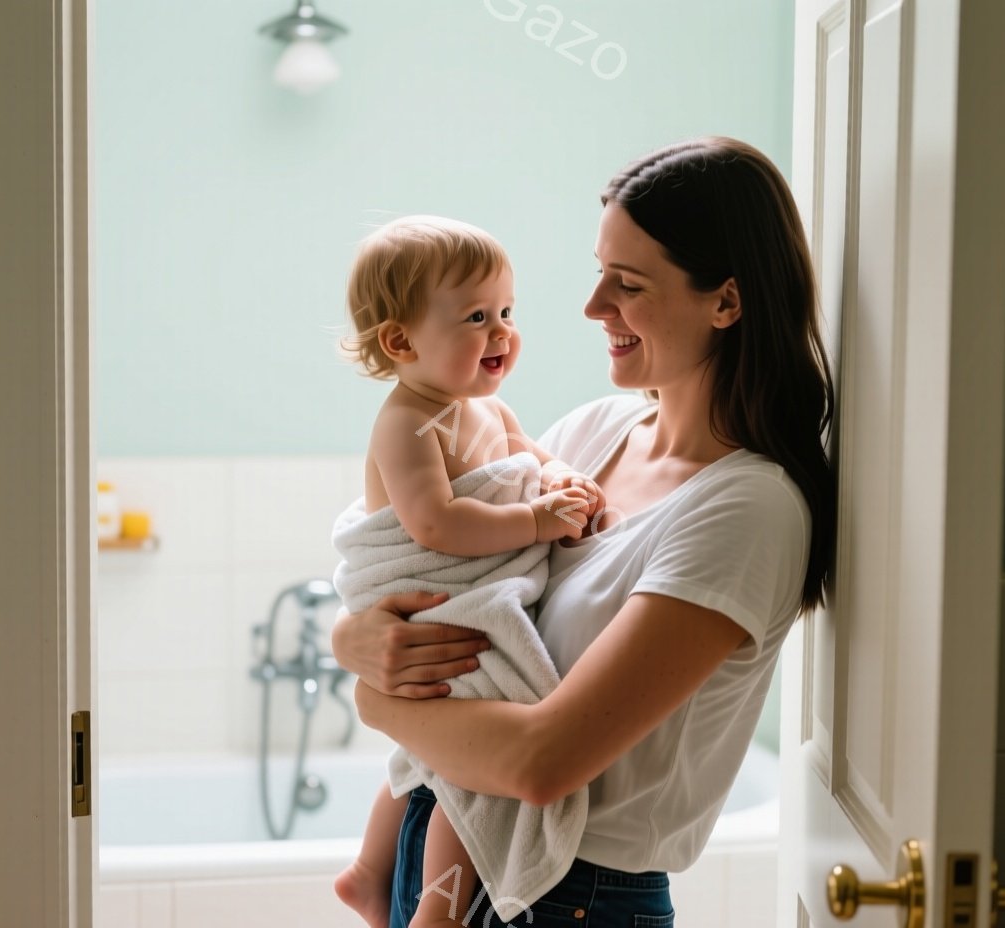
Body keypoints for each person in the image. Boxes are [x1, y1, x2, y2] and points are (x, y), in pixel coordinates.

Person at [332, 136, 839, 927]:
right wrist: (353, 640)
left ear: (727, 302)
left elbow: (544, 764)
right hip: (448, 837)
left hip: (575, 898)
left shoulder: (748, 510)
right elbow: (446, 569)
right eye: (599, 270)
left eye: (627, 283)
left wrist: (373, 696)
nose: (593, 305)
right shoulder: (594, 433)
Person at [329, 215, 608, 928]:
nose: (502, 333)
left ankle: (369, 871)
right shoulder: (408, 423)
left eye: (508, 313)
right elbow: (435, 525)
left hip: (473, 590)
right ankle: (440, 909)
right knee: (466, 759)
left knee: (435, 745)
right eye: (477, 317)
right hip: (436, 592)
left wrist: (568, 481)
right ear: (401, 342)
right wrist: (539, 522)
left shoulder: (488, 409)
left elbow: (535, 462)